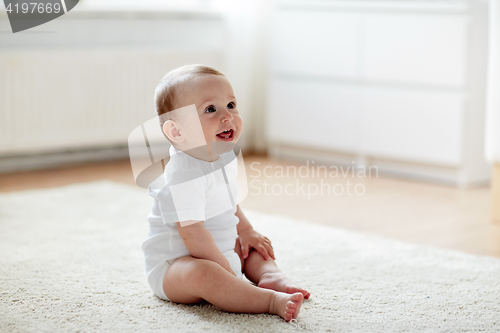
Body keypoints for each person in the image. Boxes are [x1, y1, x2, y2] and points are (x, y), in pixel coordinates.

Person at [141, 64, 310, 322]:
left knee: (254, 247)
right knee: (203, 274)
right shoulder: (183, 174)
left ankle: (271, 277)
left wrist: (247, 232)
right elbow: (192, 233)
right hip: (176, 267)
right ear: (177, 132)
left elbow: (228, 203)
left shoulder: (223, 155)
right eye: (211, 109)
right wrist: (224, 270)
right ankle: (268, 300)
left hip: (221, 251)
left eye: (231, 105)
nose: (227, 116)